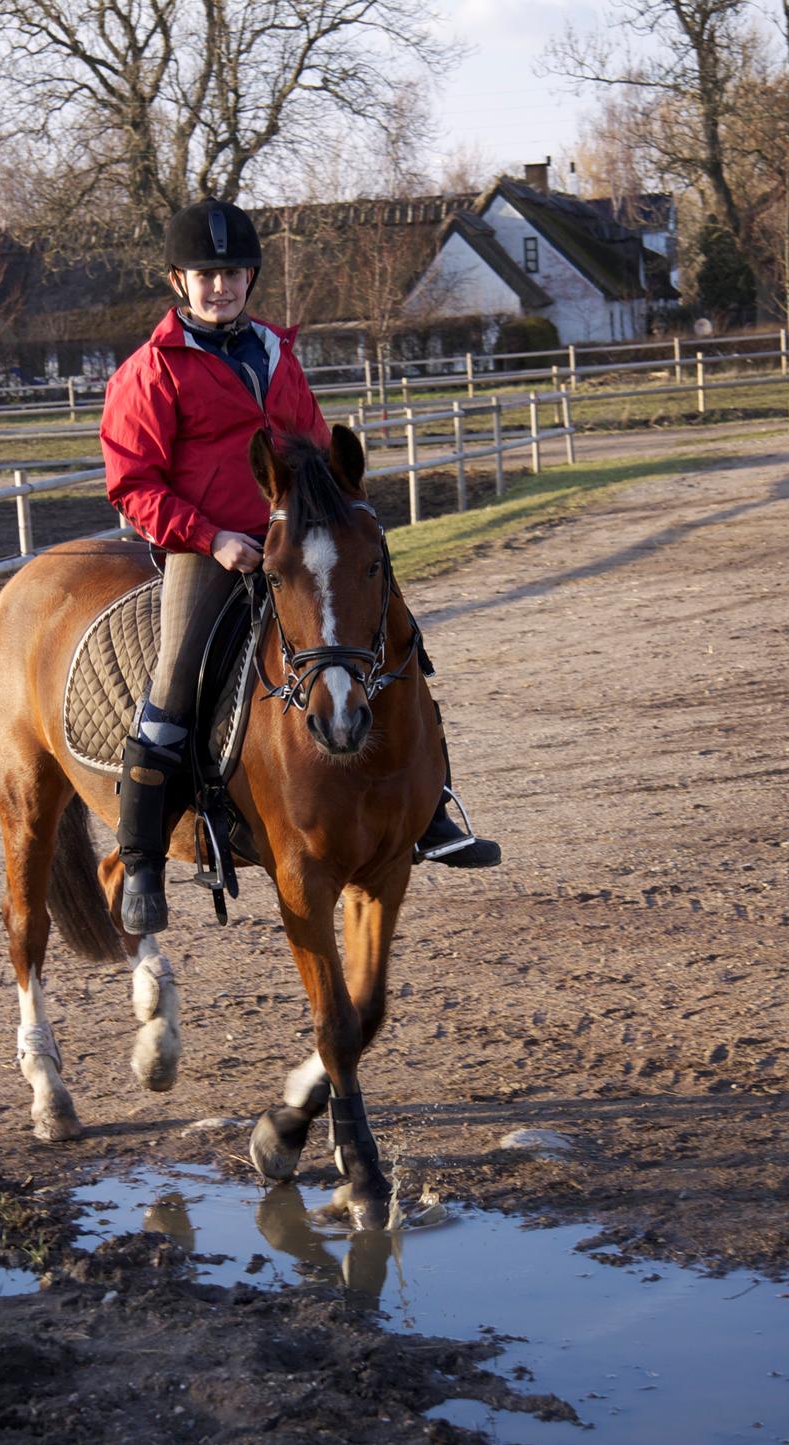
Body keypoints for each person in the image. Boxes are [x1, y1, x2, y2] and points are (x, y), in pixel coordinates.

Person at [100, 199, 499, 937]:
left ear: (250, 276)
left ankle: (430, 809)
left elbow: (312, 447)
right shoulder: (151, 371)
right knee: (175, 680)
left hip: (292, 541)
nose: (220, 286)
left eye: (232, 273)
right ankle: (144, 860)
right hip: (207, 548)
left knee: (392, 637)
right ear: (177, 281)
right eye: (205, 275)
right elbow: (132, 483)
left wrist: (339, 517)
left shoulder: (277, 354)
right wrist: (211, 536)